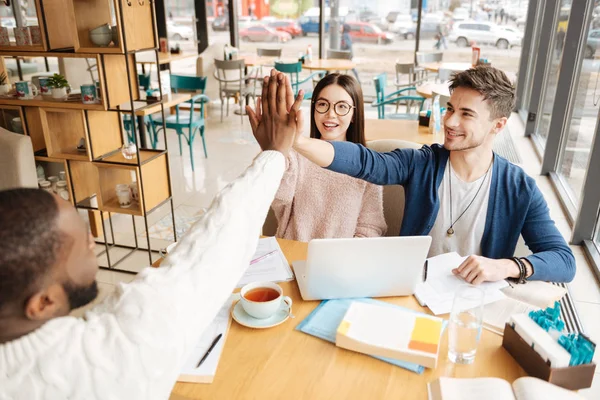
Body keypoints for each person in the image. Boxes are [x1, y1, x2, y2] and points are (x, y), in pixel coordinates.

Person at [0, 73, 303, 399]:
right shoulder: (108, 357)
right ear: (43, 302)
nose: (92, 241)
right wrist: (274, 153)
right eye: (79, 246)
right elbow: (208, 256)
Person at [256, 66, 576, 285]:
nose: (449, 121)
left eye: (466, 114)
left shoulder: (519, 188)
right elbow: (367, 163)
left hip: (470, 304)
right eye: (450, 108)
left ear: (499, 125)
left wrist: (505, 266)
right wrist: (296, 141)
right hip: (407, 290)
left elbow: (564, 260)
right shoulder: (422, 163)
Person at [249, 73, 386, 241]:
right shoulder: (294, 156)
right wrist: (274, 150)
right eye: (322, 104)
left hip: (341, 262)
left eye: (342, 106)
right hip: (291, 256)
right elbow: (277, 198)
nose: (330, 114)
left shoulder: (368, 167)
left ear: (354, 115)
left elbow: (370, 228)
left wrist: (348, 256)